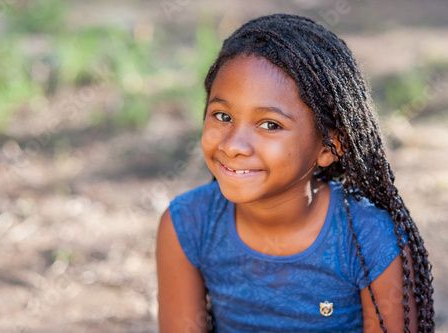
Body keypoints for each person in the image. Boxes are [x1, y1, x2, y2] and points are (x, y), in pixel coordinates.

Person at [156, 14, 434, 332]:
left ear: (330, 145)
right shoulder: (187, 225)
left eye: (270, 124)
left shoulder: (369, 240)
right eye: (222, 115)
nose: (233, 145)